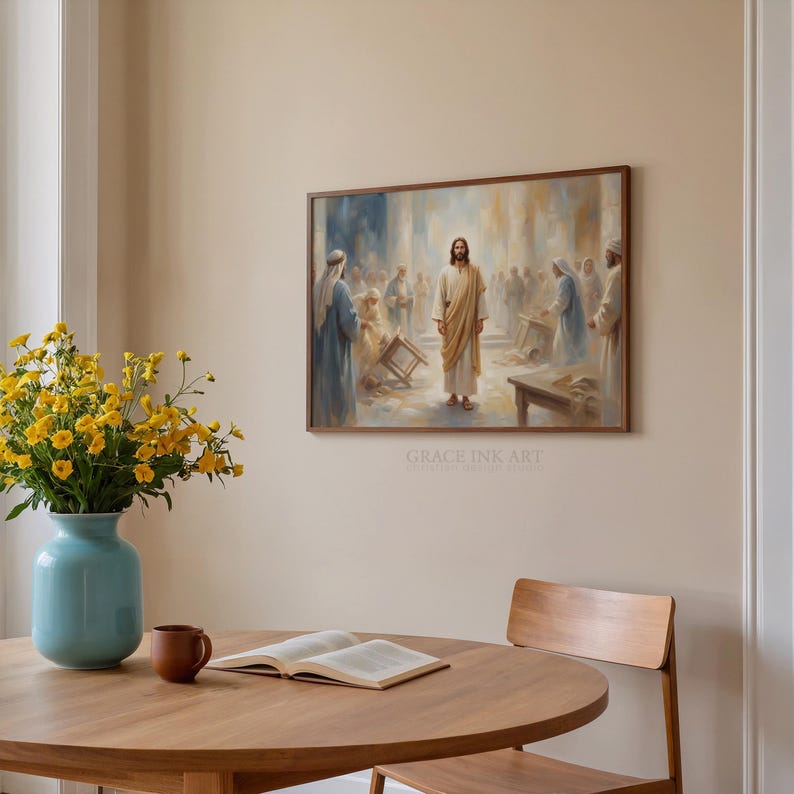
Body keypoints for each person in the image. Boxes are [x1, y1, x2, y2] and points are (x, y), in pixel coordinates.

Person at [431, 237, 488, 411]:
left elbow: (479, 296)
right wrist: (440, 321)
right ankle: (453, 394)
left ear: (466, 250)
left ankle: (466, 396)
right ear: (453, 250)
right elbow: (439, 298)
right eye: (457, 247)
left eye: (462, 247)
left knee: (465, 359)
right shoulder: (445, 272)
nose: (459, 250)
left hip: (468, 320)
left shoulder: (474, 271)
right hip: (451, 320)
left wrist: (479, 319)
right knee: (452, 359)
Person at [312, 249, 363, 427]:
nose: (346, 267)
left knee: (322, 388)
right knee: (340, 388)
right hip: (336, 349)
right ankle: (341, 426)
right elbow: (349, 322)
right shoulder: (341, 287)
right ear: (340, 266)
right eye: (345, 264)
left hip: (319, 349)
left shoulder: (317, 286)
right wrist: (359, 322)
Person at [588, 237, 623, 425]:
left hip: (616, 334)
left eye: (608, 252)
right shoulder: (621, 272)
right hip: (619, 329)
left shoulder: (616, 274)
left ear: (615, 254)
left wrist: (594, 320)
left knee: (612, 383)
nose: (605, 255)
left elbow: (609, 309)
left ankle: (613, 424)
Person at [540, 257, 587, 366]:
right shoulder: (568, 279)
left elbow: (562, 301)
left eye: (554, 268)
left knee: (565, 343)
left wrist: (547, 310)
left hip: (570, 316)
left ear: (559, 268)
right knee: (568, 342)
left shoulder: (565, 280)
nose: (552, 270)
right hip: (572, 315)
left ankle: (566, 367)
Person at [353, 288, 389, 384]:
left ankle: (362, 375)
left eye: (376, 301)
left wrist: (382, 335)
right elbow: (351, 316)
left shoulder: (374, 306)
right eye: (373, 300)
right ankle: (354, 377)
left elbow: (378, 321)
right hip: (351, 332)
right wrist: (361, 322)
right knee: (353, 354)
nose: (375, 303)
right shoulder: (358, 301)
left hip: (362, 332)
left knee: (368, 349)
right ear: (369, 298)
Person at [384, 263, 415, 338]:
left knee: (407, 332)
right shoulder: (392, 283)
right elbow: (386, 298)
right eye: (401, 271)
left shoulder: (409, 283)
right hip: (397, 311)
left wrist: (411, 298)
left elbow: (413, 295)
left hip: (406, 310)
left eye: (405, 271)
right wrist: (396, 298)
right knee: (397, 331)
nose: (403, 273)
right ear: (398, 272)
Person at [503, 266, 525, 337]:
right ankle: (510, 331)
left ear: (517, 272)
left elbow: (523, 290)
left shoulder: (520, 279)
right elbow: (505, 291)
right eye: (512, 271)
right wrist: (506, 298)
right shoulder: (507, 280)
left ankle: (517, 332)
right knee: (510, 315)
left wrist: (520, 295)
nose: (514, 273)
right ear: (510, 272)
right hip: (511, 300)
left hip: (518, 300)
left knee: (517, 315)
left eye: (515, 271)